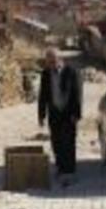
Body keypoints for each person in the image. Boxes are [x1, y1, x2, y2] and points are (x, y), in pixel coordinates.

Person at [38, 47, 82, 186]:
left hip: (69, 113)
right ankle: (60, 167)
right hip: (54, 112)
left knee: (68, 141)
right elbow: (42, 95)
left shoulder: (72, 72)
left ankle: (70, 170)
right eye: (48, 62)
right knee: (56, 141)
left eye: (53, 61)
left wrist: (77, 113)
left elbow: (77, 94)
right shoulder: (45, 74)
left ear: (59, 59)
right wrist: (41, 114)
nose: (50, 64)